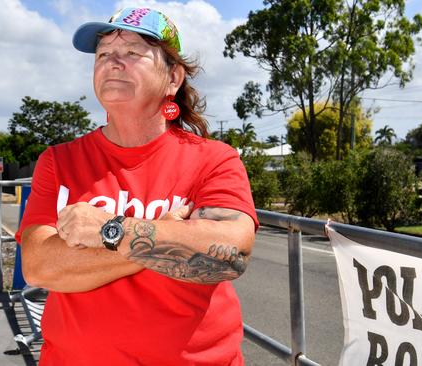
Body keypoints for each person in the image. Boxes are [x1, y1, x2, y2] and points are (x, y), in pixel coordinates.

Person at [16, 7, 257, 366]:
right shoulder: (59, 161)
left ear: (173, 77)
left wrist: (110, 230)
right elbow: (38, 266)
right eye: (103, 54)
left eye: (131, 52)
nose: (113, 62)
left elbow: (229, 257)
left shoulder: (213, 160)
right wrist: (168, 233)